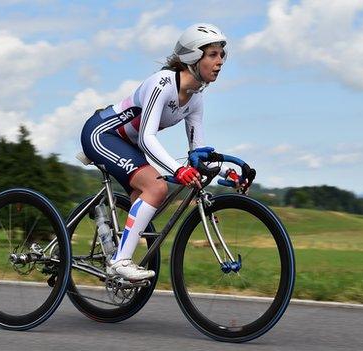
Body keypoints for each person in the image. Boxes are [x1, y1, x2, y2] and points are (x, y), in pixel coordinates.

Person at [80, 23, 243, 280]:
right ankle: (121, 262)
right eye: (213, 54)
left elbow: (198, 153)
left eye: (222, 55)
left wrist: (230, 172)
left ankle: (112, 248)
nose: (220, 61)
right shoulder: (163, 83)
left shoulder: (196, 99)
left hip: (127, 145)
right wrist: (178, 170)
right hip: (103, 134)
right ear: (192, 56)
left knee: (148, 199)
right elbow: (146, 138)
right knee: (157, 189)